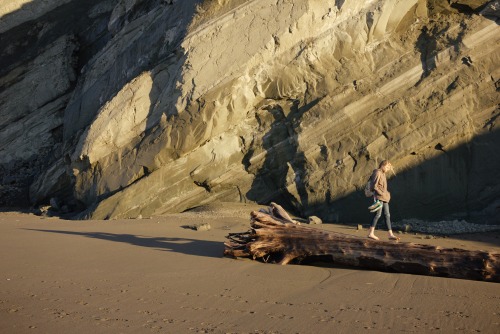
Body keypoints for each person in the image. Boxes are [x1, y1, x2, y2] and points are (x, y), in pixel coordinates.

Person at [367, 160, 399, 241]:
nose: (388, 169)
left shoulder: (383, 174)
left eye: (389, 167)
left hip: (384, 198)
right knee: (377, 214)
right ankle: (371, 233)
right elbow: (373, 186)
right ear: (382, 165)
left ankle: (390, 234)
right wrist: (381, 193)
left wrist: (386, 194)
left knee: (387, 215)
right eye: (387, 167)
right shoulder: (377, 172)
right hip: (379, 197)